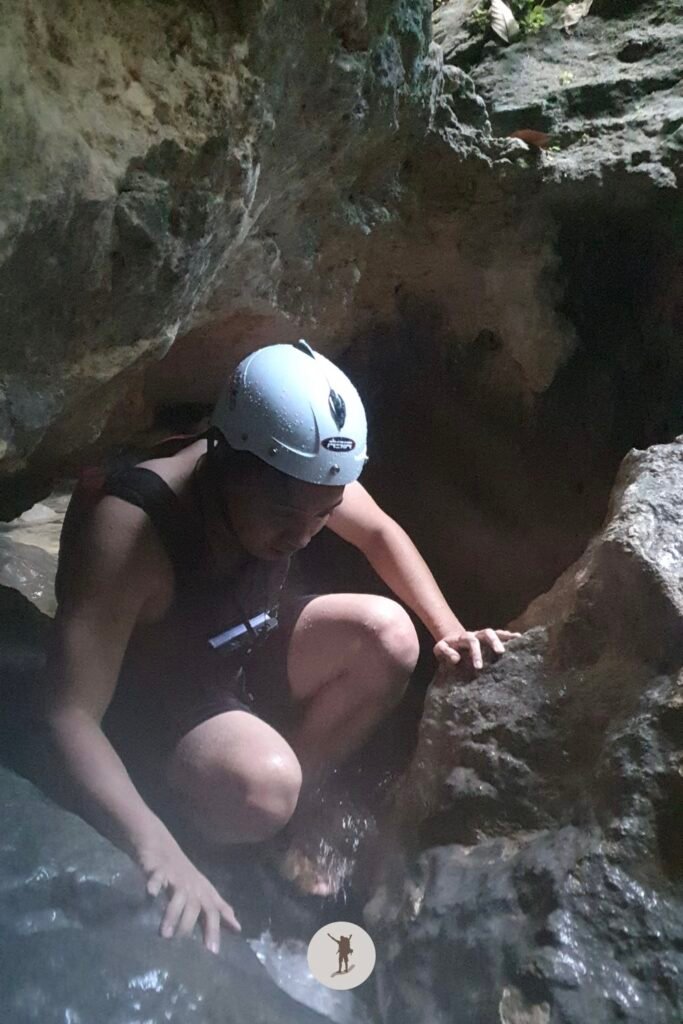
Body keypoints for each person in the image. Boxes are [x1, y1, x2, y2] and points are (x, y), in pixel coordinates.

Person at [35, 340, 520, 957]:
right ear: (224, 459)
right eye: (284, 512)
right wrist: (154, 846)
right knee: (262, 786)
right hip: (156, 698)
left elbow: (378, 531)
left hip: (239, 645)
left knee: (391, 637)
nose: (302, 534)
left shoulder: (300, 480)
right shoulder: (134, 529)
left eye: (323, 514)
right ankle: (222, 815)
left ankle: (281, 814)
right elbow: (68, 713)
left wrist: (448, 630)